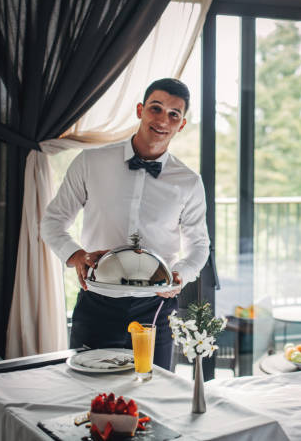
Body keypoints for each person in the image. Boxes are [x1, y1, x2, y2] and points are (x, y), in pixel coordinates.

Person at [41, 78, 210, 370]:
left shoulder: (189, 182)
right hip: (97, 301)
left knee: (152, 390)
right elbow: (53, 221)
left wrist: (180, 274)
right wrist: (76, 255)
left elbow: (199, 245)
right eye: (156, 108)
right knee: (87, 390)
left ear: (181, 125)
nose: (162, 120)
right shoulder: (90, 162)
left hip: (155, 306)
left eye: (174, 114)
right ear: (140, 110)